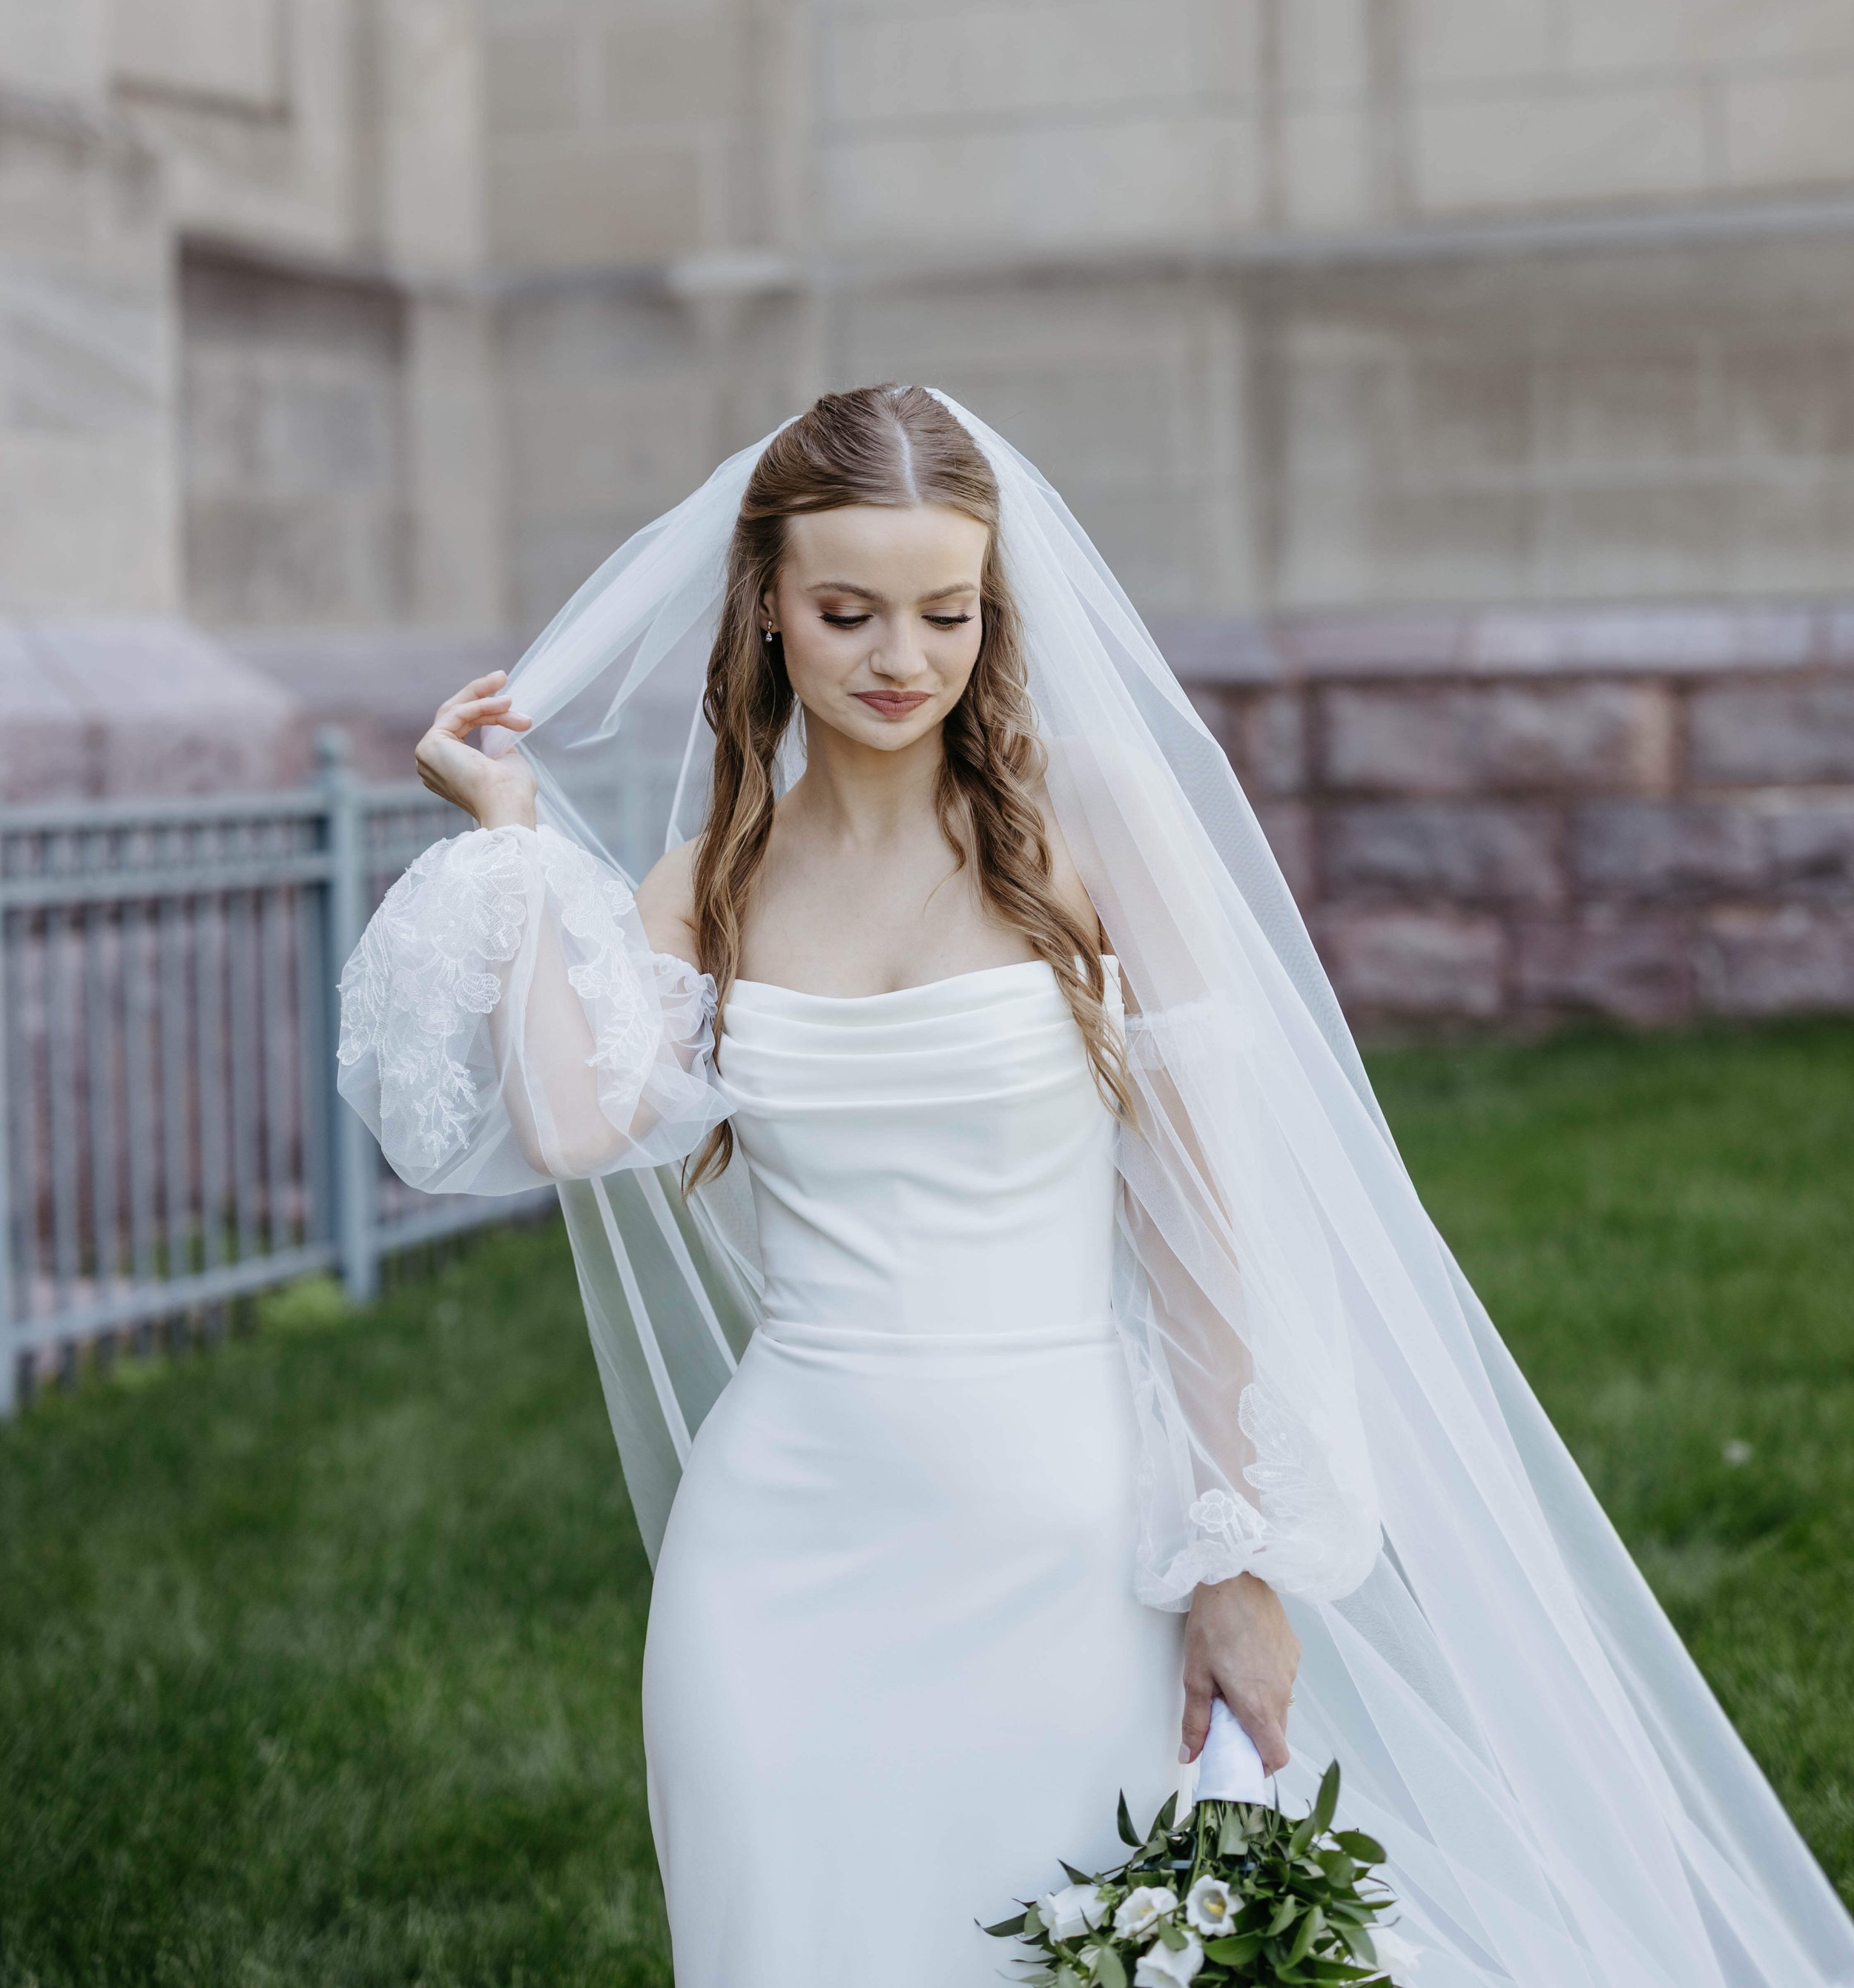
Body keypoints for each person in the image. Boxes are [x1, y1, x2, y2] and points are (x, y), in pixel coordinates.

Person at [338, 386, 1854, 1988]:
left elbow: (1203, 1215)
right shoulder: (710, 874)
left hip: (1065, 1525)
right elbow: (574, 1124)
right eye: (844, 612)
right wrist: (505, 840)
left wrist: (1234, 1560)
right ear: (766, 613)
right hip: (779, 1539)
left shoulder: (1090, 823)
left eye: (943, 612)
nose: (897, 658)